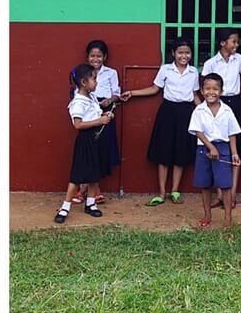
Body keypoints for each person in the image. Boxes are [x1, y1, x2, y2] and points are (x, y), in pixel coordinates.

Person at [125, 38, 200, 207]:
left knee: (181, 152)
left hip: (186, 113)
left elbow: (195, 95)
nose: (184, 56)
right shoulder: (165, 69)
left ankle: (175, 190)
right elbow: (154, 88)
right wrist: (132, 93)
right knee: (164, 152)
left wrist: (207, 111)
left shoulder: (194, 72)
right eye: (180, 52)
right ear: (173, 53)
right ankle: (161, 193)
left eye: (187, 52)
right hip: (167, 112)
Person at [54, 64, 112, 223]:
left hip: (97, 139)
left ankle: (91, 204)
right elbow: (78, 125)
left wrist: (104, 115)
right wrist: (100, 120)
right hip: (86, 140)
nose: (96, 82)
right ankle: (65, 207)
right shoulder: (78, 102)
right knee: (78, 175)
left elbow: (94, 113)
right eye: (94, 79)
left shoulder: (91, 97)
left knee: (95, 174)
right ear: (83, 83)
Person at [201, 28, 241, 206]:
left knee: (235, 147)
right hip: (217, 105)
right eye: (233, 41)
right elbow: (204, 85)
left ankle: (233, 193)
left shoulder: (239, 60)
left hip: (235, 103)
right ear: (222, 43)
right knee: (219, 145)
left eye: (237, 42)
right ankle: (221, 194)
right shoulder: (211, 63)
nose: (237, 45)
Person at [189, 73, 241, 227]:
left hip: (223, 148)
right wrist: (210, 147)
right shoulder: (199, 110)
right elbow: (197, 131)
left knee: (225, 184)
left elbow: (232, 133)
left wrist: (234, 153)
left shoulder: (227, 111)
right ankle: (207, 215)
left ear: (221, 91)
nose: (211, 92)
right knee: (205, 184)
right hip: (204, 149)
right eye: (207, 89)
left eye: (215, 89)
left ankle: (227, 218)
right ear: (202, 90)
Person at [75, 39, 121, 204]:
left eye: (99, 56)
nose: (95, 59)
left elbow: (117, 93)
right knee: (90, 152)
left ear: (105, 57)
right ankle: (85, 191)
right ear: (87, 57)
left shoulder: (111, 73)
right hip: (89, 113)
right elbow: (78, 94)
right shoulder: (82, 73)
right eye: (92, 56)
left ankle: (88, 191)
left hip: (106, 112)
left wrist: (109, 101)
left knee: (101, 151)